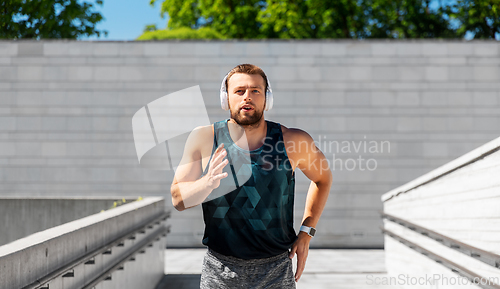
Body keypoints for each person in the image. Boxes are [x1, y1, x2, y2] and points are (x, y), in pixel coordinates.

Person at [171, 64, 332, 289]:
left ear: (267, 98)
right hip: (220, 271)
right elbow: (178, 199)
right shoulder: (204, 138)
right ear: (225, 98)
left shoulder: (294, 141)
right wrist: (207, 183)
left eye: (255, 90)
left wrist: (307, 231)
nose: (247, 97)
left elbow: (323, 179)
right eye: (239, 91)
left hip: (276, 270)